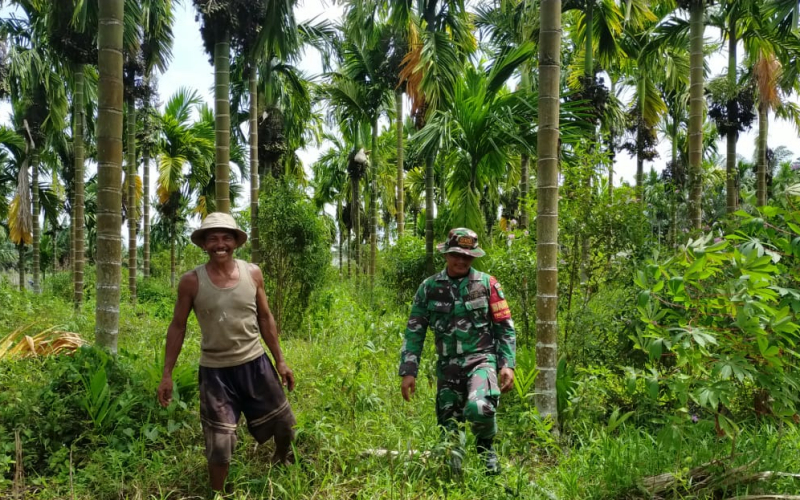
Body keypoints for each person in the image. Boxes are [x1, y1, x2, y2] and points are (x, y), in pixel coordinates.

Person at [156, 212, 296, 494]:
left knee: (284, 425)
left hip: (255, 364)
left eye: (226, 237)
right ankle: (218, 494)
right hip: (215, 374)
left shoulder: (252, 273)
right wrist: (167, 374)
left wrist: (280, 360)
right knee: (219, 445)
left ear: (236, 242)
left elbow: (266, 318)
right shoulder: (191, 282)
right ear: (204, 245)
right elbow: (178, 326)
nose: (220, 243)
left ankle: (282, 460)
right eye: (213, 238)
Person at [399, 228, 516, 475]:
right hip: (448, 367)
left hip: (481, 360)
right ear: (446, 254)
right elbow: (414, 331)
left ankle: (486, 450)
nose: (461, 260)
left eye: (468, 256)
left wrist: (507, 364)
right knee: (448, 437)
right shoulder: (429, 287)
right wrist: (409, 371)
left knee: (479, 407)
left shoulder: (488, 284)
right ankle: (455, 473)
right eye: (456, 255)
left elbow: (504, 328)